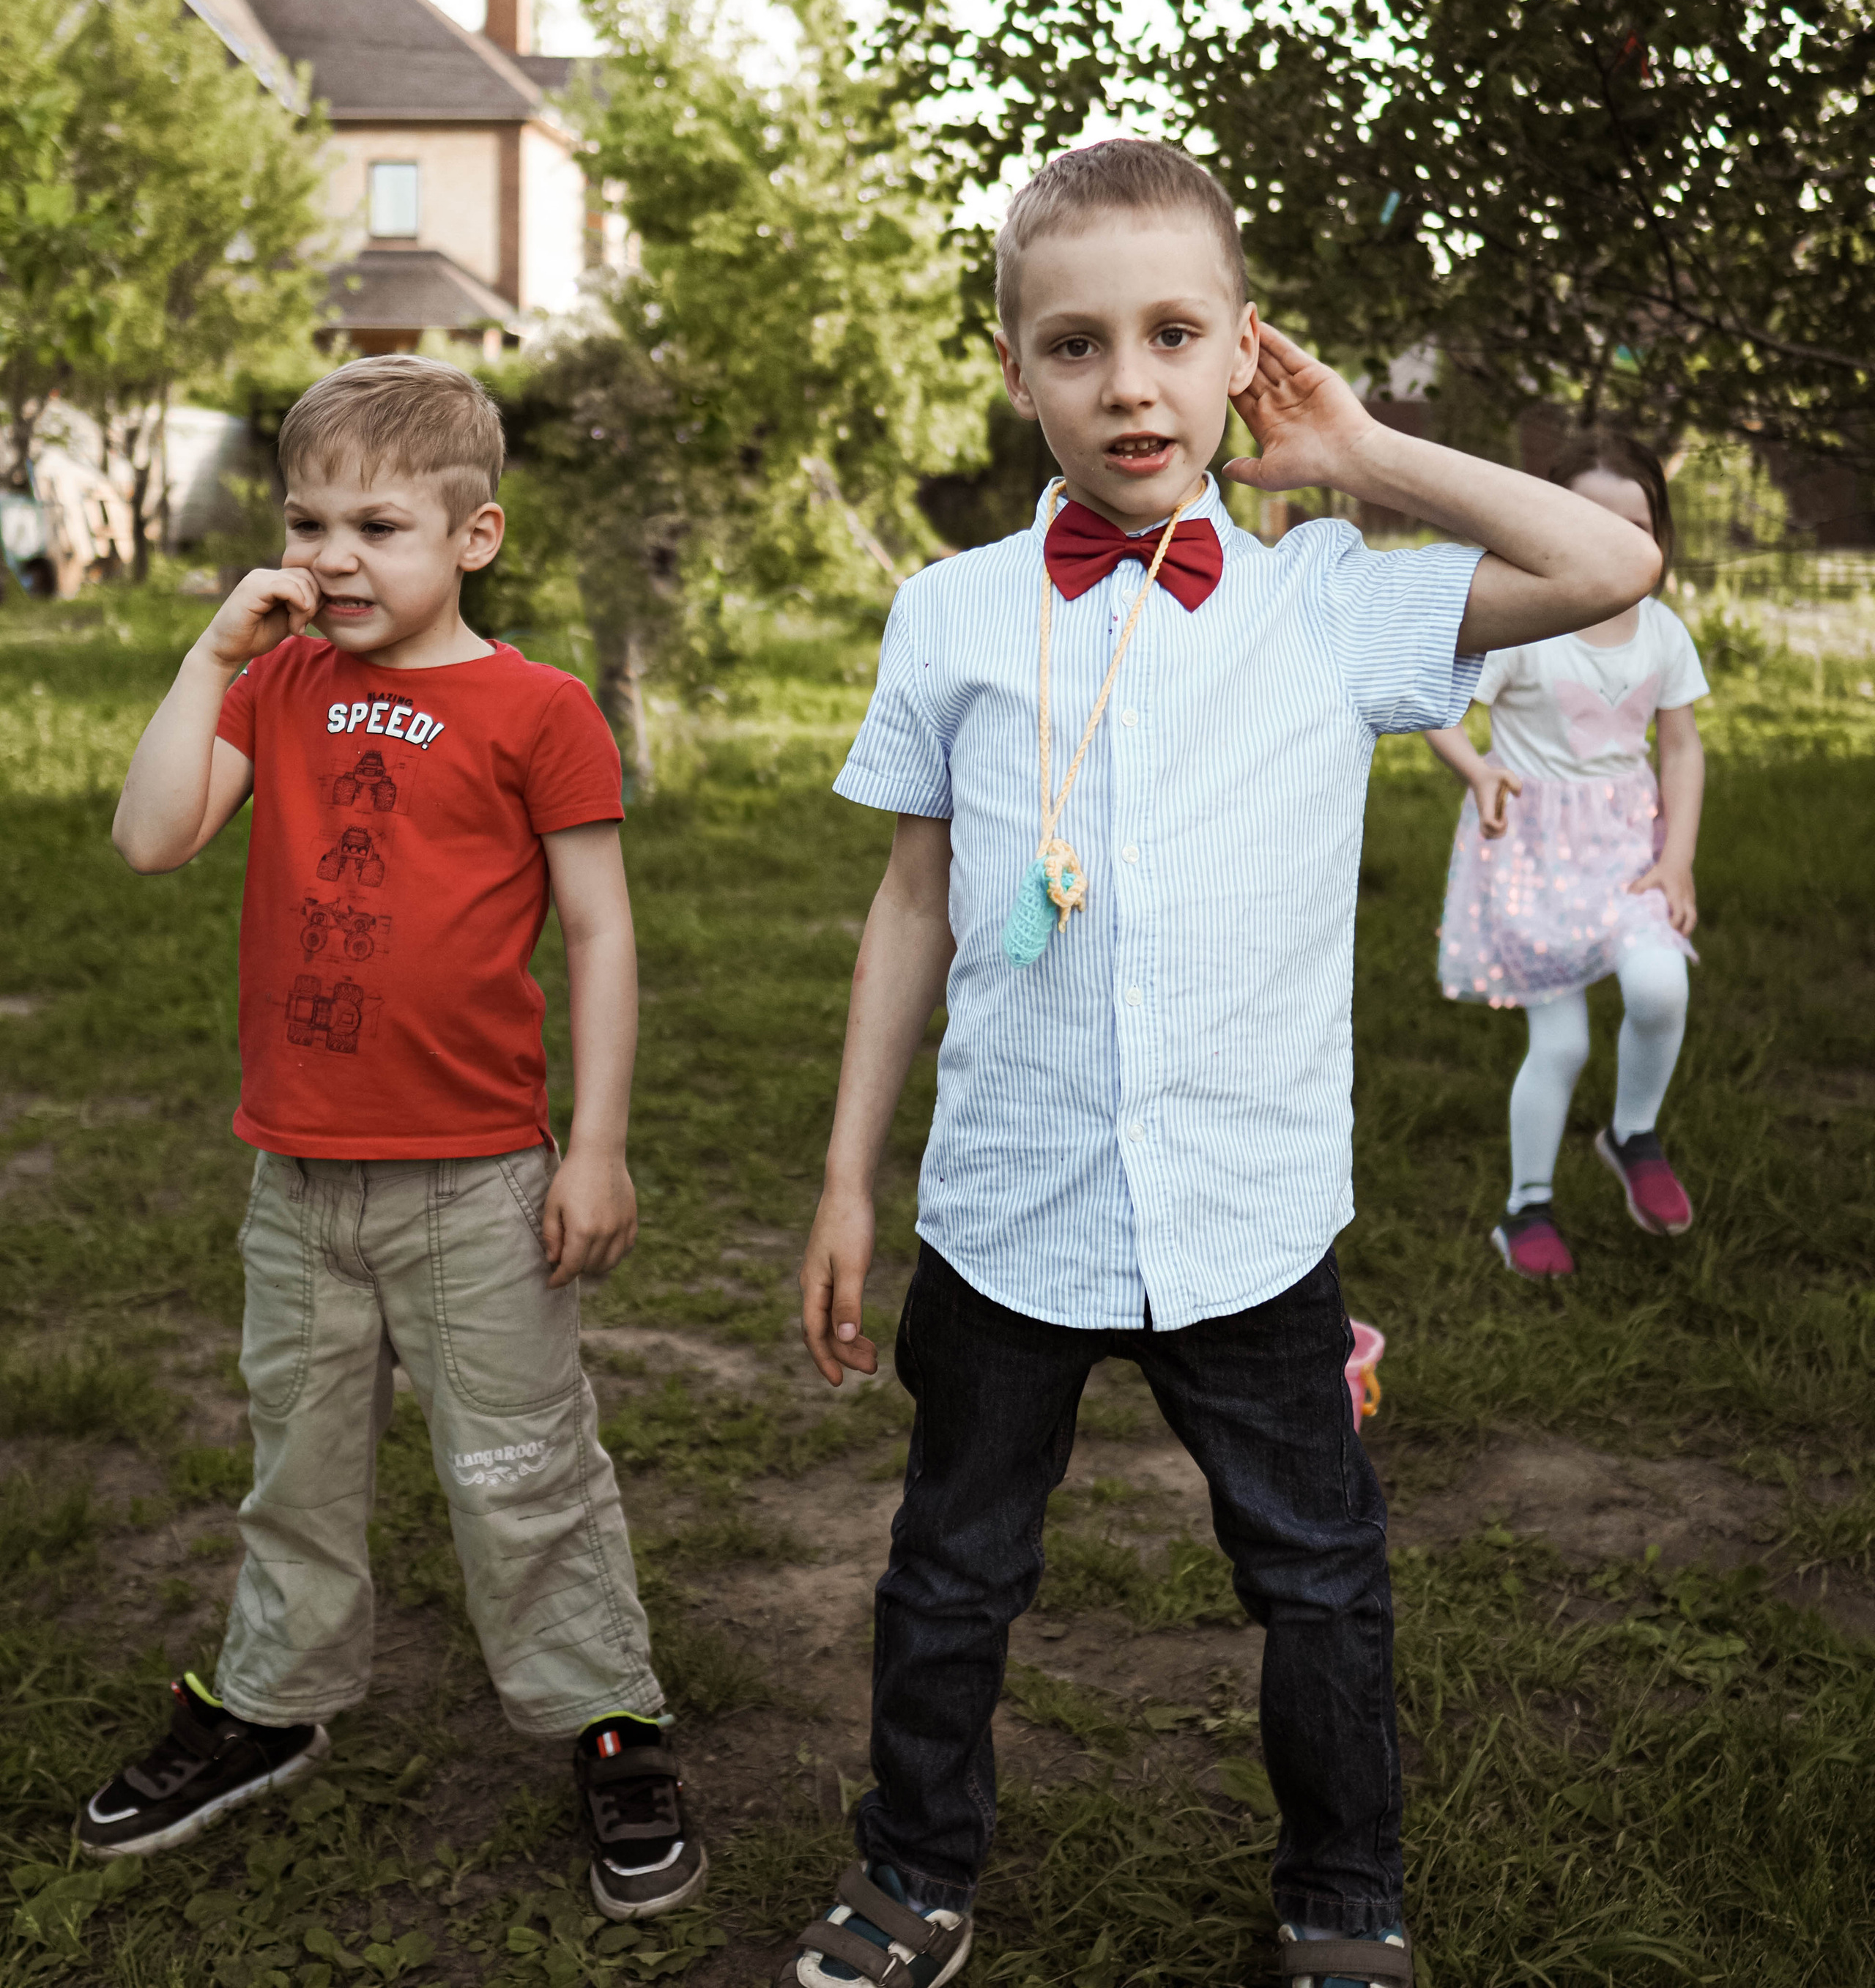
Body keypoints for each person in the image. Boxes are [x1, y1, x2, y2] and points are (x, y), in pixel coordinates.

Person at [773, 140, 1660, 1988]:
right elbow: (911, 901)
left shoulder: (1327, 602)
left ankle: (1345, 1898)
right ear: (1013, 367)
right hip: (1006, 1208)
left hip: (1248, 1219)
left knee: (1317, 1576)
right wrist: (849, 1174)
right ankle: (914, 1867)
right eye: (1076, 343)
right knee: (948, 1574)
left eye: (1173, 334)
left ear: (1236, 351)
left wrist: (1359, 451)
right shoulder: (947, 614)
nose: (1127, 383)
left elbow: (1610, 559)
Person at [78, 355, 705, 1922]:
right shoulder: (277, 683)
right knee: (293, 1463)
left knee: (519, 1464)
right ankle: (271, 1696)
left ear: (473, 534)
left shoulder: (536, 708)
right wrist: (214, 647)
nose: (333, 556)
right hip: (297, 1177)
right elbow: (152, 835)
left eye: (377, 524)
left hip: (478, 1181)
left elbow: (598, 930)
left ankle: (605, 1716)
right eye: (305, 523)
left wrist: (599, 1142)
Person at [1427, 430, 1707, 1280]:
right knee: (1561, 1045)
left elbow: (1682, 747)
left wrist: (1678, 859)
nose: (1617, 541)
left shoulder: (1660, 631)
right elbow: (1436, 703)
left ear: (1658, 532)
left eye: (1636, 524)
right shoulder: (1525, 626)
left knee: (1662, 986)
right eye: (1591, 521)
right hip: (1532, 854)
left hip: (1626, 849)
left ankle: (1632, 1132)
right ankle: (1527, 1208)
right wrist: (1477, 769)